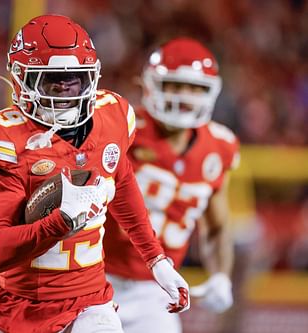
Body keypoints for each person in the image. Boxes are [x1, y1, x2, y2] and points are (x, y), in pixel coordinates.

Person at [0, 15, 190, 333]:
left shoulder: (111, 117)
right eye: (52, 80)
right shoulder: (5, 139)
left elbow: (121, 180)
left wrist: (156, 259)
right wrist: (60, 222)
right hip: (21, 304)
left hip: (90, 302)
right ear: (21, 79)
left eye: (75, 80)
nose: (65, 92)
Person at [103, 37, 240, 333]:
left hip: (156, 289)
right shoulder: (121, 128)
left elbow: (216, 227)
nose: (185, 96)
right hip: (94, 277)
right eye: (176, 85)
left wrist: (221, 276)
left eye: (195, 88)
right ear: (150, 84)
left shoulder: (219, 147)